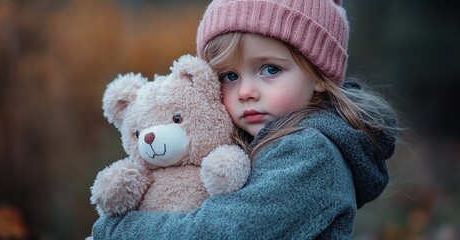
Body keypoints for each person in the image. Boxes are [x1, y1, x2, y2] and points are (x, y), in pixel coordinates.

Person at [92, 0, 399, 238]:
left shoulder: (311, 154)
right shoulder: (249, 141)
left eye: (270, 69)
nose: (246, 92)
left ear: (319, 74)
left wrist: (115, 231)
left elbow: (223, 232)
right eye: (229, 75)